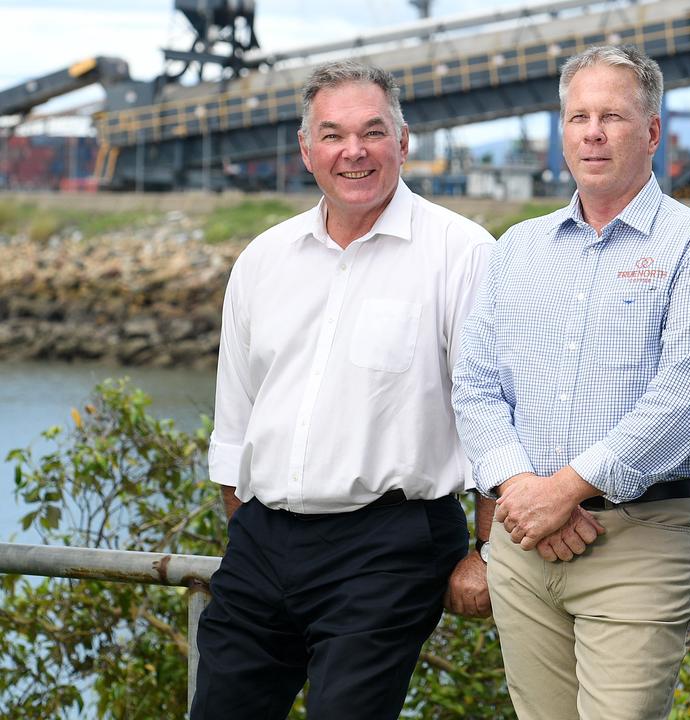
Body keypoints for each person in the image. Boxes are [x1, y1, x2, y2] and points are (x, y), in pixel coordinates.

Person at [452, 45, 690, 720]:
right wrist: (523, 490)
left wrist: (567, 488)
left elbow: (686, 400)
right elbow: (474, 384)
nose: (592, 132)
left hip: (641, 545)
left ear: (651, 133)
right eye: (578, 116)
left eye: (612, 116)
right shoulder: (517, 248)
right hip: (525, 543)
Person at [191, 60, 496, 719]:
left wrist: (487, 551)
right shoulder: (264, 258)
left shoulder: (462, 252)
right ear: (306, 149)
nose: (353, 152)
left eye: (372, 132)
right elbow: (236, 414)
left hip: (389, 544)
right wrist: (245, 529)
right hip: (262, 538)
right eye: (332, 134)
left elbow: (493, 413)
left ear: (404, 143)